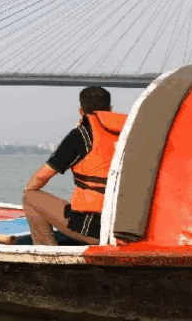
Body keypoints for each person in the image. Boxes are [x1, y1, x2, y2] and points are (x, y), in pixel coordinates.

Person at [22, 86, 127, 245]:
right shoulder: (129, 134)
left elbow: (43, 175)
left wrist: (28, 189)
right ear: (111, 109)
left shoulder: (82, 135)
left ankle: (47, 255)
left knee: (30, 197)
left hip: (94, 230)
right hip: (126, 229)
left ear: (81, 111)